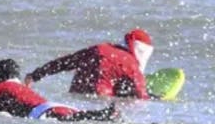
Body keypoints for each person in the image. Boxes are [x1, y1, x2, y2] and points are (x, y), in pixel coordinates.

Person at [0, 59, 119, 122]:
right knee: (79, 117)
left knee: (76, 119)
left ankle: (104, 115)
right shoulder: (21, 88)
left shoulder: (0, 87)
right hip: (54, 106)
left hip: (43, 113)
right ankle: (104, 114)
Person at [24, 29, 154, 99]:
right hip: (101, 103)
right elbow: (141, 96)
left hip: (75, 98)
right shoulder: (131, 64)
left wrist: (35, 75)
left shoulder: (98, 48)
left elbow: (64, 62)